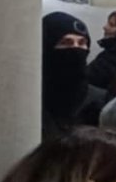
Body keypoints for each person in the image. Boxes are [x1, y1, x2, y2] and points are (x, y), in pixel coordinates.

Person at [42, 11, 105, 142]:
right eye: (66, 42)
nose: (76, 49)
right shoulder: (30, 102)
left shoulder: (100, 101)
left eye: (82, 43)